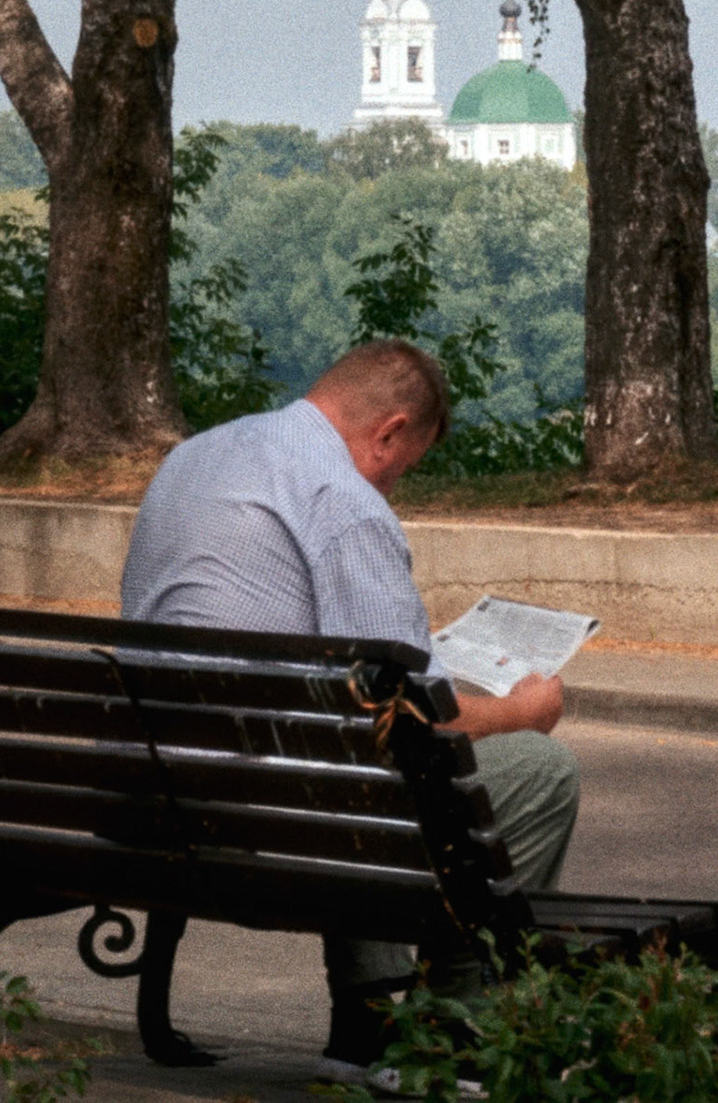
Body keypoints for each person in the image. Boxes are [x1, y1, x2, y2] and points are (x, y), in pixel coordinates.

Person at [119, 339, 579, 1068]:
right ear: (390, 431)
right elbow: (421, 717)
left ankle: (365, 1016)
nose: (393, 487)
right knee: (534, 766)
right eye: (403, 467)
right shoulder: (342, 499)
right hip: (279, 821)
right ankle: (456, 1020)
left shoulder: (194, 459)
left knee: (344, 749)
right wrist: (524, 710)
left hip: (158, 797)